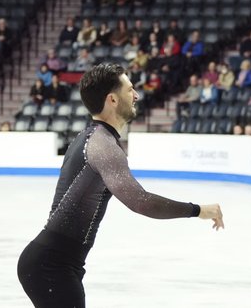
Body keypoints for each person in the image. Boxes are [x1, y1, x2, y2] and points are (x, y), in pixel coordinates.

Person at [17, 64, 223, 308]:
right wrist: (199, 210)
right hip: (52, 266)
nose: (136, 95)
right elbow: (141, 202)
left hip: (52, 263)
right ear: (112, 99)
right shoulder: (103, 145)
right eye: (130, 90)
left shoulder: (90, 138)